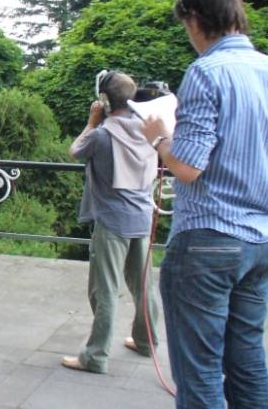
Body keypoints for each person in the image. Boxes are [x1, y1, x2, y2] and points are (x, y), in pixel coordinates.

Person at [141, 0, 268, 409]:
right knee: (248, 360)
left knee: (200, 372)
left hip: (209, 240)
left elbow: (187, 167)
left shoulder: (206, 72)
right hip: (260, 241)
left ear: (195, 18)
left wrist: (160, 138)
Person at [61, 71, 159, 374]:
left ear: (104, 101)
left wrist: (92, 122)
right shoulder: (149, 130)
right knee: (143, 286)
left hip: (112, 221)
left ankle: (95, 356)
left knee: (104, 290)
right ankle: (146, 342)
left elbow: (75, 150)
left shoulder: (102, 135)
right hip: (143, 217)